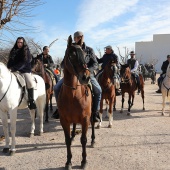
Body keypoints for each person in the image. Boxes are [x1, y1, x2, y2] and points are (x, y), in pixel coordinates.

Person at [52, 31, 102, 122]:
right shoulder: (70, 49)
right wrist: (68, 68)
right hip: (72, 75)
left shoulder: (89, 50)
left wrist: (88, 70)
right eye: (77, 37)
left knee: (98, 90)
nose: (79, 38)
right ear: (74, 39)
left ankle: (95, 112)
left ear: (83, 38)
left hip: (86, 74)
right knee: (56, 88)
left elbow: (95, 64)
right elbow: (63, 63)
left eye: (81, 37)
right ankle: (59, 110)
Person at [7, 37, 36, 110]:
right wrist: (8, 67)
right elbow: (10, 60)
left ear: (23, 43)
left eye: (21, 42)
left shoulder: (26, 51)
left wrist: (13, 68)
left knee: (30, 82)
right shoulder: (13, 50)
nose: (19, 44)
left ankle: (31, 100)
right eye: (18, 42)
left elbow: (24, 62)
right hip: (14, 70)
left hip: (24, 70)